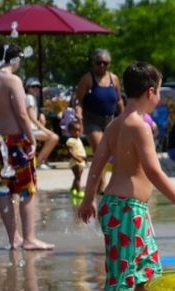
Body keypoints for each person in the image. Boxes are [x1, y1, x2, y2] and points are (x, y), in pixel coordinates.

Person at [77, 62, 175, 291]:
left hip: (126, 209)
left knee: (147, 274)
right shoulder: (139, 126)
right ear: (150, 92)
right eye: (158, 90)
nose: (158, 96)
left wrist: (88, 200)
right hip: (127, 210)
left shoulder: (114, 125)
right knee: (119, 282)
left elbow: (96, 166)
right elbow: (154, 171)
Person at [0, 44, 54, 251]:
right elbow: (22, 113)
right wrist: (31, 138)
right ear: (14, 60)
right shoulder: (13, 80)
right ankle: (30, 238)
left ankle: (13, 239)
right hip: (17, 141)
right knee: (27, 190)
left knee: (4, 190)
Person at [71, 49, 122, 193]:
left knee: (111, 152)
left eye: (105, 63)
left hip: (110, 120)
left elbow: (119, 101)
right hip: (92, 120)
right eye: (98, 63)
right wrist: (79, 116)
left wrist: (125, 117)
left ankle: (102, 183)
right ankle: (102, 185)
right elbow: (78, 100)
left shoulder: (114, 79)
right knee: (101, 150)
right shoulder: (87, 79)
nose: (101, 66)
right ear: (93, 63)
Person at [24, 78, 59, 167]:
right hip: (30, 130)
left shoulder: (30, 98)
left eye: (38, 87)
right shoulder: (30, 98)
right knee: (54, 137)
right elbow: (32, 118)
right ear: (27, 88)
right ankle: (39, 162)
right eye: (33, 87)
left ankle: (40, 161)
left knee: (53, 137)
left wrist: (41, 115)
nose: (36, 89)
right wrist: (45, 129)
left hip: (30, 129)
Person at [65, 122, 87, 199]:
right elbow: (70, 152)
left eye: (79, 130)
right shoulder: (70, 140)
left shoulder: (78, 139)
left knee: (78, 176)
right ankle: (79, 191)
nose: (77, 132)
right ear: (69, 131)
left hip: (81, 161)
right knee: (78, 177)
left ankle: (73, 189)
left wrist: (84, 158)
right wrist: (77, 158)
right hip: (75, 162)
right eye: (75, 131)